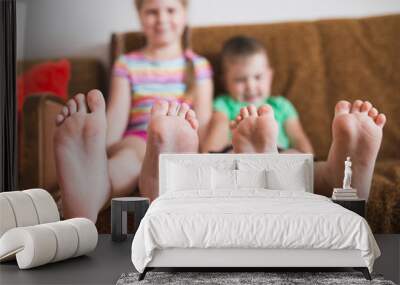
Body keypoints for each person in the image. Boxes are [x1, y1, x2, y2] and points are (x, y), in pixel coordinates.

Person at [54, 0, 213, 222]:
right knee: (130, 157)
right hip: (137, 138)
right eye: (152, 12)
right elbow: (115, 121)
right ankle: (94, 187)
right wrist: (96, 145)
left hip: (182, 140)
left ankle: (148, 174)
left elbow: (204, 123)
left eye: (170, 10)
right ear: (139, 16)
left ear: (184, 14)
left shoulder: (199, 66)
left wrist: (209, 155)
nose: (162, 19)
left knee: (173, 142)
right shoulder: (127, 64)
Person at [202, 35, 313, 154]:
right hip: (239, 157)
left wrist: (311, 163)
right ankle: (249, 147)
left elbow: (300, 141)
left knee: (293, 154)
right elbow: (212, 149)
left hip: (280, 155)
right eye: (240, 80)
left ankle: (267, 149)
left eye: (258, 77)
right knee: (227, 153)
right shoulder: (224, 105)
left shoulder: (281, 106)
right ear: (225, 82)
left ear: (270, 76)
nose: (250, 86)